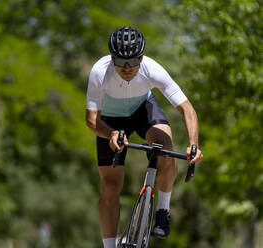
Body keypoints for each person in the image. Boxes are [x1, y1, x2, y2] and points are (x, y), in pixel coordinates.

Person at [85, 26, 203, 248]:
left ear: (142, 57)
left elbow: (187, 109)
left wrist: (193, 145)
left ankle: (163, 210)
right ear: (111, 59)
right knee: (110, 186)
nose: (127, 68)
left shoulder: (152, 69)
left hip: (142, 111)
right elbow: (91, 119)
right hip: (109, 121)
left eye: (133, 62)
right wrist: (110, 133)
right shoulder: (99, 71)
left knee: (164, 144)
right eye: (120, 62)